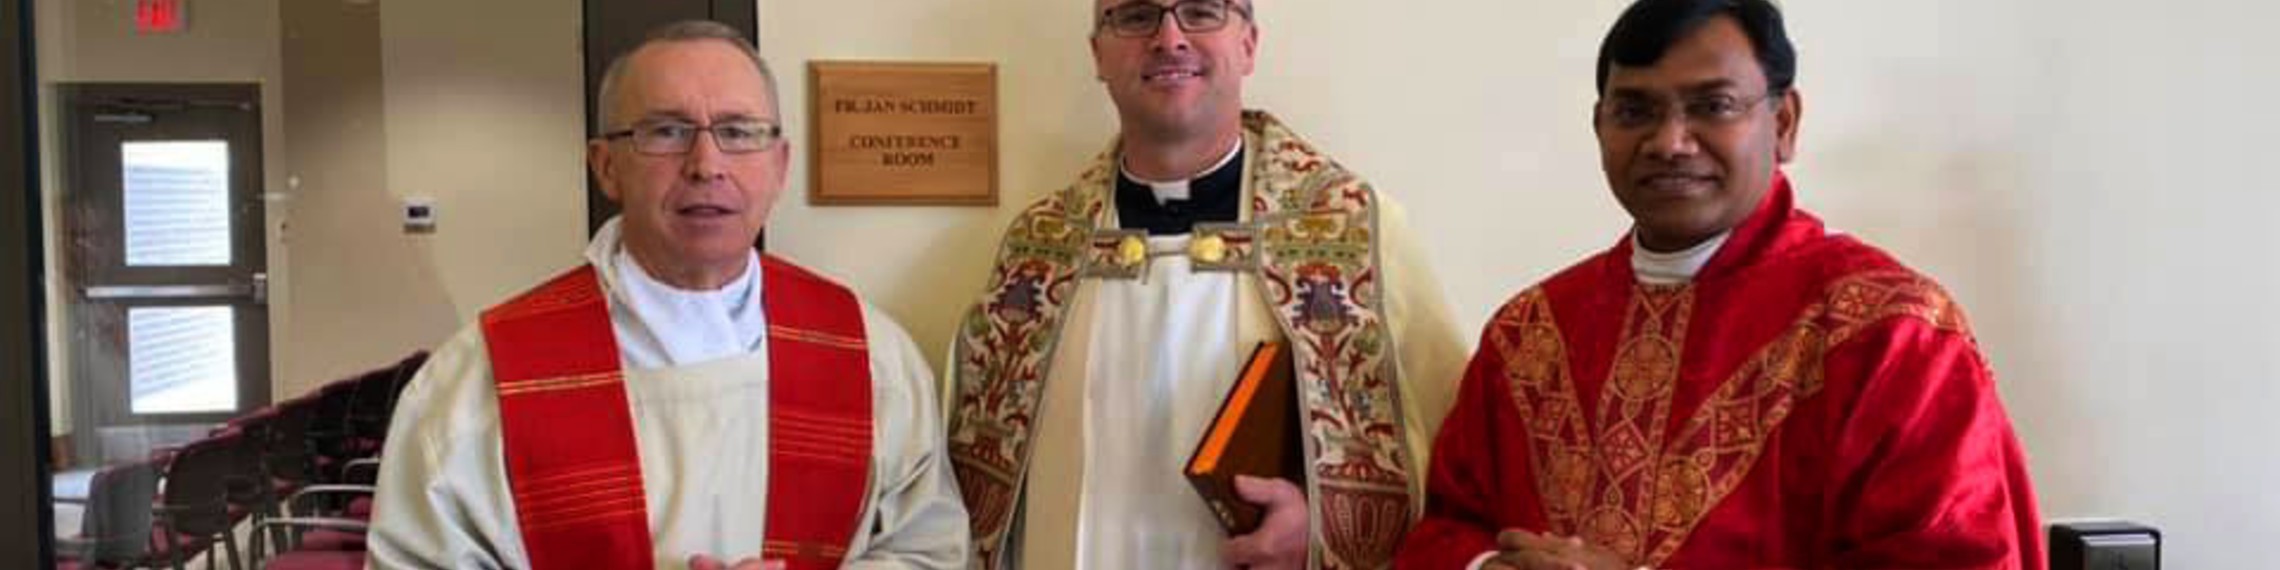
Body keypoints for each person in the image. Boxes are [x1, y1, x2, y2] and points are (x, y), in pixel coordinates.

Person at [1395, 1, 2043, 568]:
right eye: (1635, 111)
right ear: (1600, 127)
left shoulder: (1890, 333)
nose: (1670, 142)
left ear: (1783, 123)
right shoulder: (1530, 332)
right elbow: (1444, 528)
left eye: (1712, 107)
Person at [367, 21, 967, 570]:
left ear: (779, 166)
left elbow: (928, 550)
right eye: (667, 132)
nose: (706, 164)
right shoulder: (483, 376)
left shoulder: (870, 355)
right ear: (606, 167)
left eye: (737, 132)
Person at [942, 1, 1467, 568]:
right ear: (1097, 53)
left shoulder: (1357, 230)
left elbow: (1459, 471)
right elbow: (958, 483)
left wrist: (1328, 536)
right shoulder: (1038, 249)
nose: (1169, 38)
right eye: (1136, 16)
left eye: (1199, 11)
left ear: (1248, 43)